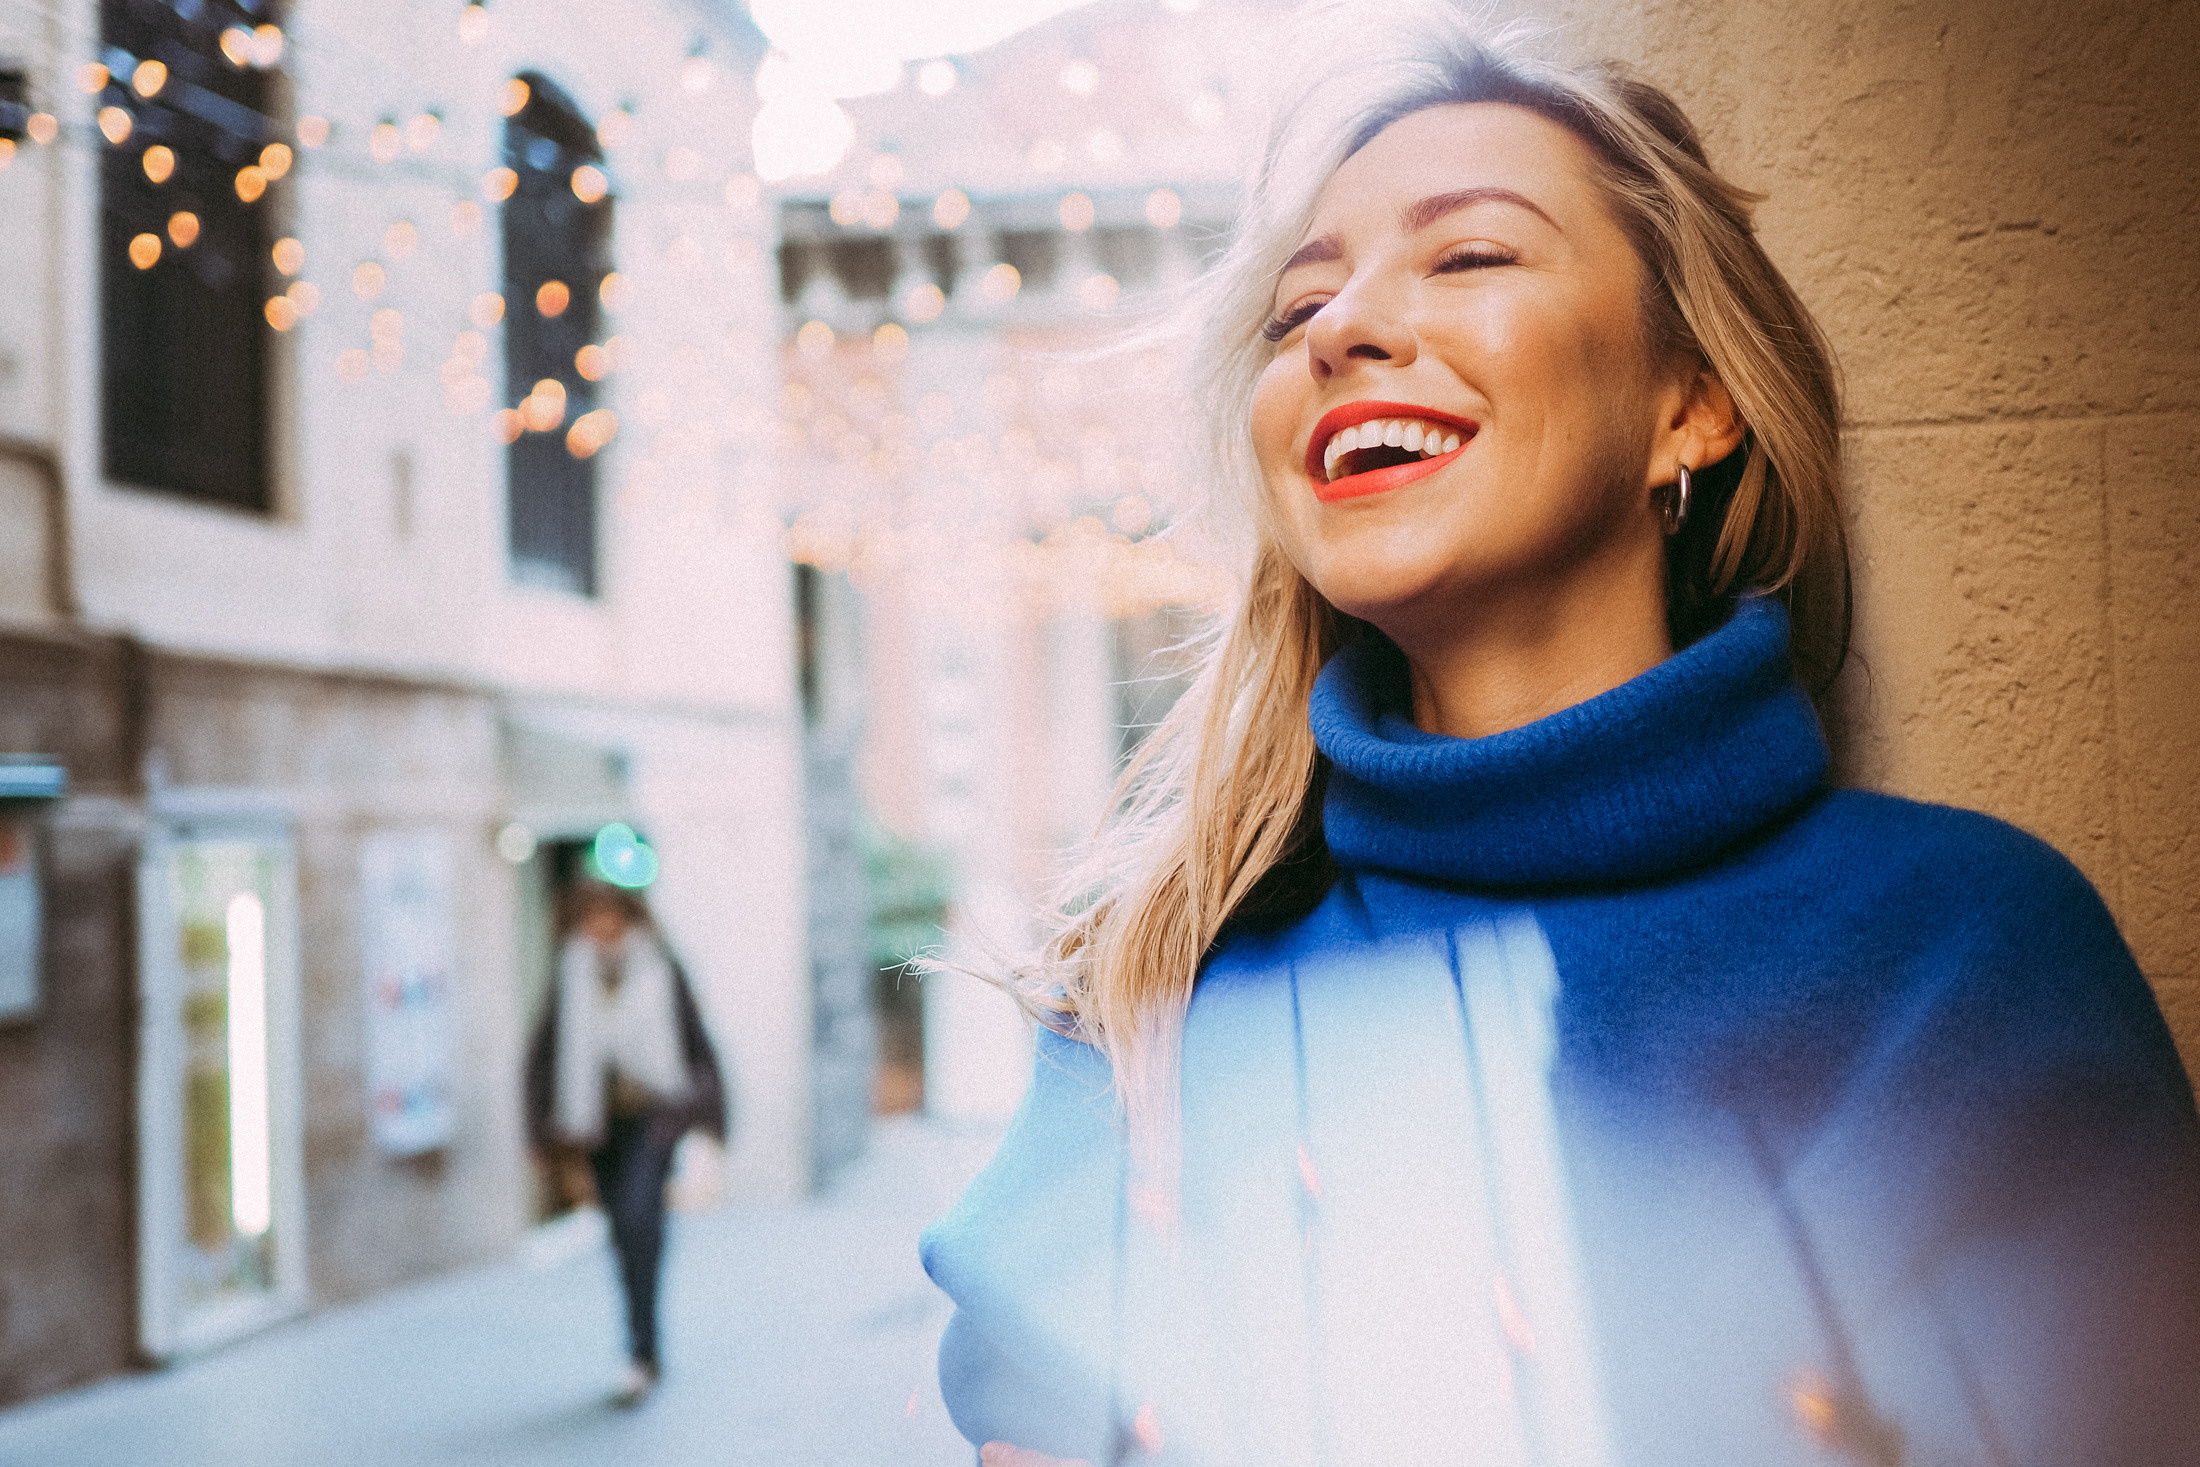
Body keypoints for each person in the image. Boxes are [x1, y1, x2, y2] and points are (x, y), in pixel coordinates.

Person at [920, 6, 2200, 1465]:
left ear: (1693, 406)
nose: (1340, 326)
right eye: (1295, 309)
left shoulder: (1972, 953)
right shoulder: (1155, 974)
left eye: (1470, 253)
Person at [525, 880, 726, 1407]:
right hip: (596, 1127)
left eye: (610, 915)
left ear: (628, 916)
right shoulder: (570, 973)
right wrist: (537, 1132)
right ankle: (641, 1344)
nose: (602, 927)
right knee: (622, 1232)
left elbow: (695, 1043)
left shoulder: (659, 968)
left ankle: (642, 1349)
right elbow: (542, 1052)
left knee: (642, 1221)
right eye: (591, 917)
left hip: (653, 1122)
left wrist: (710, 1118)